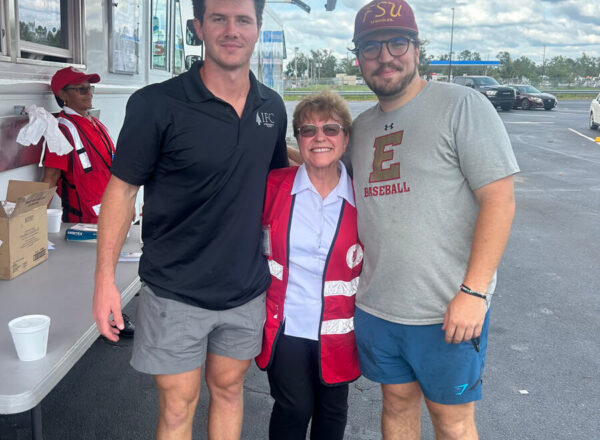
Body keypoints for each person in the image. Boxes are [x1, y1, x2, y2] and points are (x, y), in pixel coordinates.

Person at [92, 0, 288, 438]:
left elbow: (277, 184)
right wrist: (105, 279)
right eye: (218, 18)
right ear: (198, 27)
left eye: (243, 20)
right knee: (178, 408)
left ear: (257, 30)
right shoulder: (156, 105)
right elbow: (121, 193)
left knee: (229, 391)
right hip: (175, 290)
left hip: (245, 289)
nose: (231, 30)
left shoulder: (272, 107)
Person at [345, 1, 520, 439]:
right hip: (378, 307)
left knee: (453, 421)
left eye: (397, 42)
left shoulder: (462, 105)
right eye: (371, 48)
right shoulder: (362, 127)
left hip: (447, 311)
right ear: (358, 58)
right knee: (396, 406)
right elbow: (323, 166)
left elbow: (499, 200)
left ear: (417, 48)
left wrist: (474, 292)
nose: (385, 57)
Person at [256, 91, 363, 440]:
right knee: (294, 407)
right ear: (298, 140)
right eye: (308, 130)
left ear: (345, 138)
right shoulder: (272, 187)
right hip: (287, 325)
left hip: (341, 330)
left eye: (331, 129)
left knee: (332, 413)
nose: (320, 137)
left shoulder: (364, 196)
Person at [44, 67, 134, 337]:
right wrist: (33, 224)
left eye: (90, 88)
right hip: (84, 218)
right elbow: (49, 178)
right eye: (81, 89)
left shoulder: (95, 123)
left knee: (110, 266)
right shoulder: (60, 129)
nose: (89, 93)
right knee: (93, 271)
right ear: (63, 95)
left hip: (109, 210)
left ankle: (110, 311)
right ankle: (107, 319)